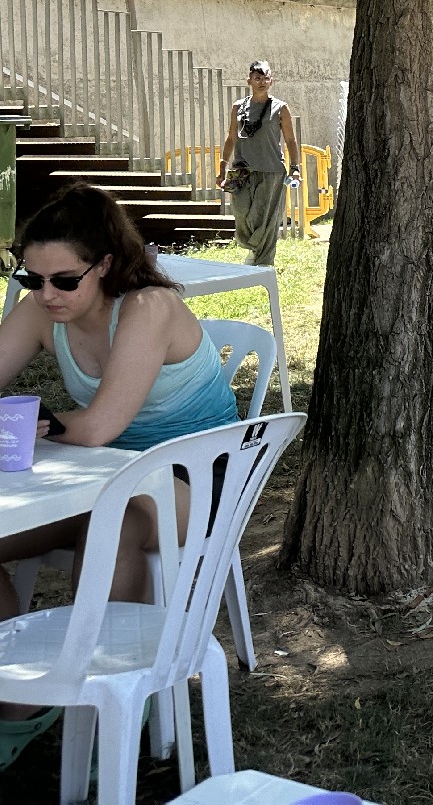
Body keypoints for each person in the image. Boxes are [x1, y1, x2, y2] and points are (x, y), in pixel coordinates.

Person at [0, 185, 240, 747]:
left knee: (120, 520)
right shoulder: (40, 312)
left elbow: (97, 427)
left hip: (196, 476)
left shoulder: (148, 307)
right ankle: (19, 699)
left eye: (64, 280)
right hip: (104, 475)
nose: (46, 294)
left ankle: (111, 704)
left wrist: (30, 422)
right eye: (32, 279)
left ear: (104, 265)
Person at [216, 59, 301, 267]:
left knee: (265, 217)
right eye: (257, 78)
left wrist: (295, 168)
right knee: (241, 212)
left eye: (266, 78)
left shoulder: (280, 108)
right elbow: (231, 137)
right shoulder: (238, 107)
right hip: (241, 169)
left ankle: (263, 260)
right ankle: (254, 248)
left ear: (271, 81)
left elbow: (291, 140)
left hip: (271, 170)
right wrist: (222, 165)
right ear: (249, 81)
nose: (262, 82)